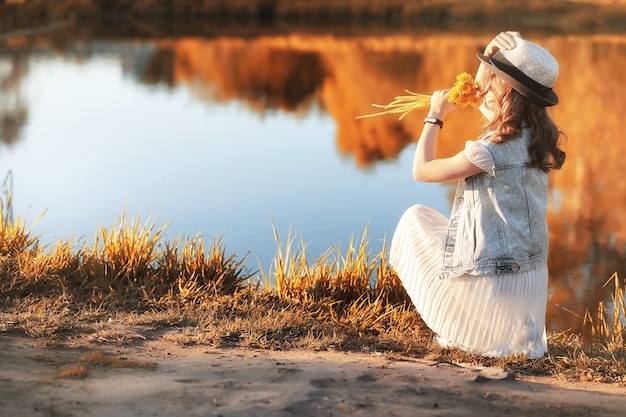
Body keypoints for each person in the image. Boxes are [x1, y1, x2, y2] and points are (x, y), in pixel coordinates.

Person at [389, 31, 566, 358]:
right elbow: (480, 96)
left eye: (493, 76)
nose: (486, 86)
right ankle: (493, 326)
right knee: (434, 223)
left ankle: (477, 330)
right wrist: (488, 55)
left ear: (507, 88)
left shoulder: (490, 151)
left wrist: (435, 116)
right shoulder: (536, 136)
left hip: (496, 284)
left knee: (414, 219)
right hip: (528, 281)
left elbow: (421, 170)